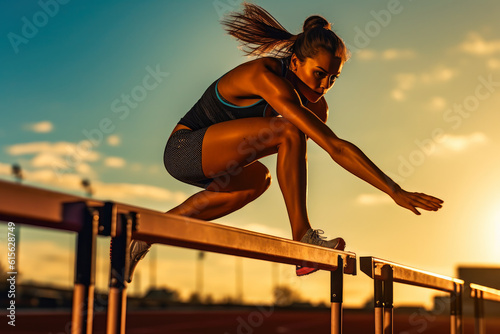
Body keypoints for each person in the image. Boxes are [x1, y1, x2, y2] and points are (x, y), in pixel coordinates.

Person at [127, 3, 443, 281]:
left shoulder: (317, 106)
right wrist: (393, 189)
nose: (325, 86)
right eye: (319, 74)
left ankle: (143, 233)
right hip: (184, 150)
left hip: (219, 165)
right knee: (287, 129)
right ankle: (303, 237)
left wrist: (394, 190)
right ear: (294, 63)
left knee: (257, 181)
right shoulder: (265, 76)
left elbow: (334, 148)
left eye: (333, 78)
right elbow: (332, 146)